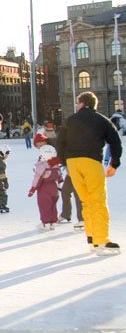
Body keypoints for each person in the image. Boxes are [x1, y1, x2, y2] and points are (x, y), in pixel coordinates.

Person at [57, 91, 122, 256]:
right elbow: (115, 141)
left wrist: (65, 164)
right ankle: (101, 239)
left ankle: (92, 237)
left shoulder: (70, 120)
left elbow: (60, 143)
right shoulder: (101, 120)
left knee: (85, 201)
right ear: (94, 105)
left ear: (80, 104)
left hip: (73, 163)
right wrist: (114, 163)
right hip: (91, 161)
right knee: (97, 200)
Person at [34, 132, 84, 229]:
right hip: (71, 166)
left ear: (42, 141)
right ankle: (66, 214)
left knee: (77, 191)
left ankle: (83, 219)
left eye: (38, 145)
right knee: (65, 190)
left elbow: (64, 155)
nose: (39, 148)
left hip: (75, 165)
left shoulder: (56, 144)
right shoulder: (47, 149)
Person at [28, 145, 63, 230]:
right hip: (54, 188)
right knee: (53, 205)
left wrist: (32, 189)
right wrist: (60, 186)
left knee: (44, 205)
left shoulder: (42, 166)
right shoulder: (56, 165)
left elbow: (37, 178)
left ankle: (46, 222)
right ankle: (53, 221)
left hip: (44, 188)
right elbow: (60, 177)